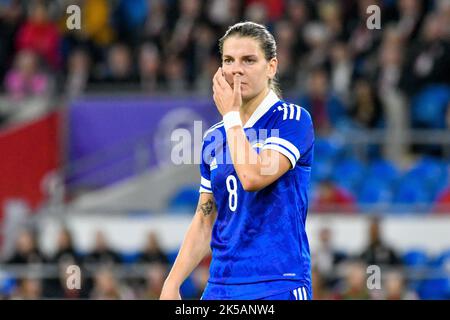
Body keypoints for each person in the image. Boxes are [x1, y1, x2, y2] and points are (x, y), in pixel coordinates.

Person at [160, 21, 315, 300]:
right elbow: (205, 218)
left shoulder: (292, 120)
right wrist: (172, 283)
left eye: (249, 60)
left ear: (272, 67)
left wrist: (231, 118)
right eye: (228, 60)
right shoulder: (214, 137)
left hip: (277, 282)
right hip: (221, 284)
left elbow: (252, 177)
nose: (236, 70)